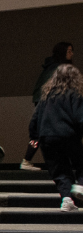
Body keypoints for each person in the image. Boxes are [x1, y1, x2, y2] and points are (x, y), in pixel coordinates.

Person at [30, 63, 83, 211]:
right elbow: (80, 117)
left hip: (46, 137)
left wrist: (34, 137)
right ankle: (80, 185)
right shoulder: (74, 94)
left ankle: (67, 199)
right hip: (68, 135)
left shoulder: (46, 96)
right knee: (81, 163)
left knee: (59, 171)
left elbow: (34, 120)